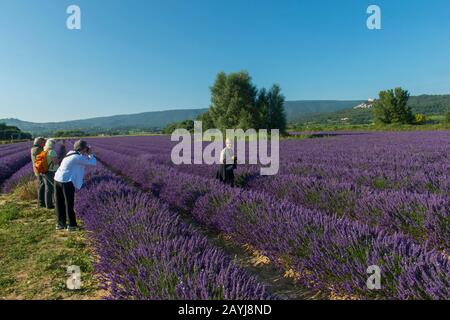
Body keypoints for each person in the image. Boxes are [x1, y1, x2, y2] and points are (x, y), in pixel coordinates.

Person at [54, 140, 97, 231]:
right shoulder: (77, 157)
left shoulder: (70, 153)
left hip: (57, 179)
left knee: (59, 202)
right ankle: (72, 225)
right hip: (66, 181)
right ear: (84, 148)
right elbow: (93, 162)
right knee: (70, 203)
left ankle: (60, 224)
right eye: (86, 148)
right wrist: (90, 154)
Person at [42, 139, 59, 209]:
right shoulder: (52, 151)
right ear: (52, 144)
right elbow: (55, 162)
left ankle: (48, 205)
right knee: (56, 188)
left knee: (48, 189)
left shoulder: (44, 151)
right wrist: (61, 159)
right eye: (54, 144)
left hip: (44, 171)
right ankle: (57, 204)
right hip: (51, 171)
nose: (55, 145)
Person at [30, 137, 46, 208]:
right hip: (40, 170)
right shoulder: (37, 149)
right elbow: (41, 159)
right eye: (43, 142)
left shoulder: (35, 148)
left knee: (42, 185)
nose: (44, 144)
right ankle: (41, 203)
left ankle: (42, 202)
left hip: (39, 169)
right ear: (39, 142)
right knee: (42, 185)